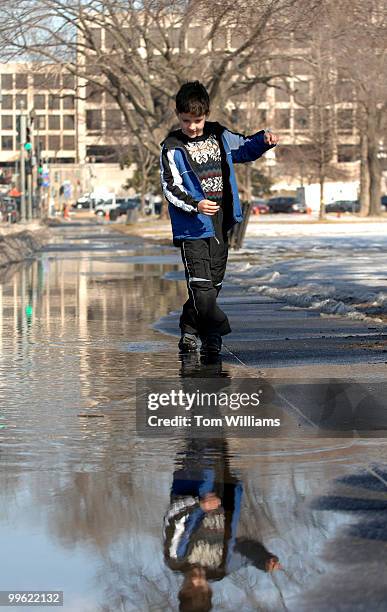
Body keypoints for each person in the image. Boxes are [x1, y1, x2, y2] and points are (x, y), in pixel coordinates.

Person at [160, 80, 278, 355]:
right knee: (201, 286)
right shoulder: (172, 146)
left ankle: (189, 329)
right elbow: (171, 187)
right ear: (178, 115)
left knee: (212, 287)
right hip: (192, 227)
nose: (192, 126)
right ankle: (213, 336)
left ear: (207, 114)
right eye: (186, 120)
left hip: (220, 223)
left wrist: (263, 141)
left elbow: (245, 149)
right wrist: (195, 204)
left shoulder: (218, 135)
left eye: (198, 120)